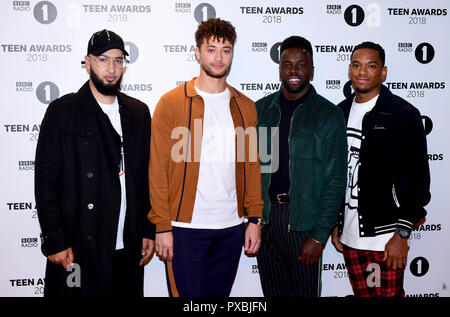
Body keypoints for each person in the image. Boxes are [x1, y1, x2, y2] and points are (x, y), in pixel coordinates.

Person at [148, 18, 263, 297]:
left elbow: (252, 166)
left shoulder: (245, 106)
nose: (218, 57)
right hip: (185, 229)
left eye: (225, 50)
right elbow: (158, 169)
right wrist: (162, 226)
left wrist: (255, 219)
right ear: (197, 53)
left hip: (231, 228)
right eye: (211, 49)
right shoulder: (172, 102)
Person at [35, 29, 155, 296]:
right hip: (77, 249)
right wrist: (54, 241)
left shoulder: (138, 112)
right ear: (87, 62)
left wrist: (148, 228)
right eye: (102, 59)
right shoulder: (63, 112)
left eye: (118, 60)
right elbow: (46, 181)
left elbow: (146, 177)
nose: (111, 68)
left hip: (128, 244)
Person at [331, 41, 431, 297]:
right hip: (350, 236)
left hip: (386, 237)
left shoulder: (403, 114)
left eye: (371, 66)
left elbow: (418, 181)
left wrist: (402, 234)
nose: (362, 71)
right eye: (356, 65)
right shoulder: (338, 113)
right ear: (349, 70)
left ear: (383, 72)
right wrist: (335, 223)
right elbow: (334, 175)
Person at [255, 36, 348, 297]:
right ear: (280, 69)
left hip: (305, 223)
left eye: (301, 64)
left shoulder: (329, 114)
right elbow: (250, 170)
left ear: (312, 70)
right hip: (267, 221)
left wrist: (319, 236)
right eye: (287, 64)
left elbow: (336, 180)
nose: (294, 71)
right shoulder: (261, 110)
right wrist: (252, 219)